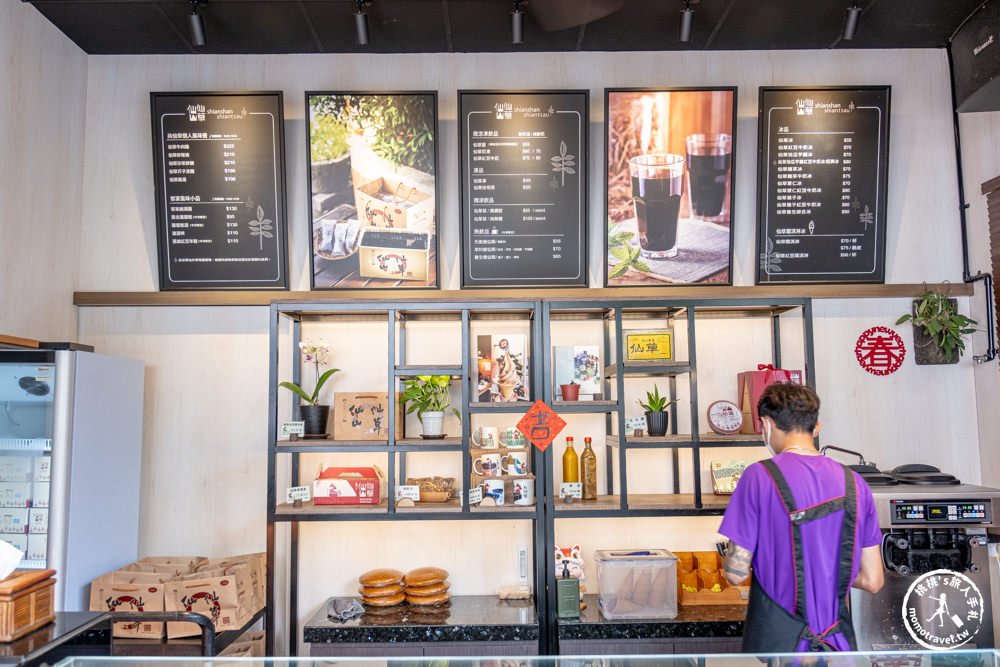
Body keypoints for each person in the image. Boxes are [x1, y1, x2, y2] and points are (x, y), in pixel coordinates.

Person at [719, 382, 884, 653]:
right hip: (837, 649)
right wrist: (825, 564)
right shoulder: (856, 483)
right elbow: (873, 580)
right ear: (815, 428)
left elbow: (736, 573)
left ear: (766, 425)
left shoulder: (758, 477)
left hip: (785, 648)